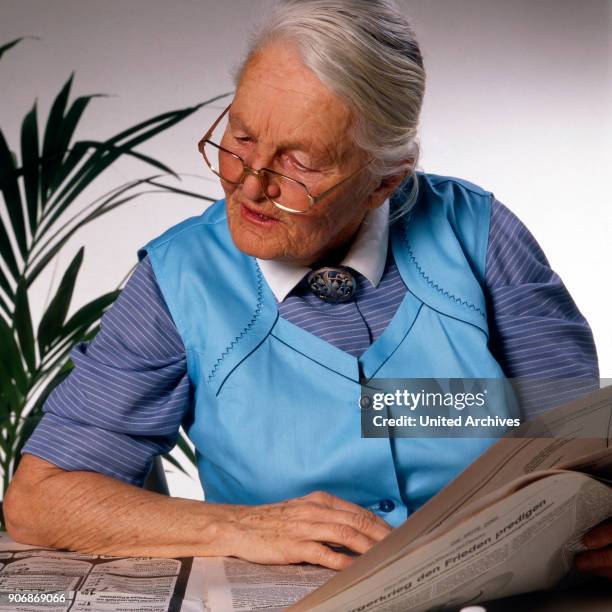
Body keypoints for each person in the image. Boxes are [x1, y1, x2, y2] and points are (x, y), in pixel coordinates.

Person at [5, 0, 610, 578]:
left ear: (384, 182)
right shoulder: (178, 279)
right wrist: (243, 529)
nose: (249, 185)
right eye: (240, 138)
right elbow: (40, 499)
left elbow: (580, 448)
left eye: (299, 162)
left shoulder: (479, 236)